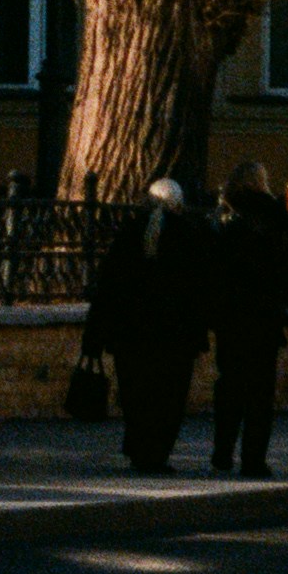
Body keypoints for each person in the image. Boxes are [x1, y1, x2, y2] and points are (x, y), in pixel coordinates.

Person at [91, 174, 213, 472]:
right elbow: (201, 288)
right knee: (168, 396)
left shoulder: (130, 232)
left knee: (136, 392)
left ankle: (137, 448)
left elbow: (109, 284)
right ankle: (157, 454)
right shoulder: (189, 235)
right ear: (179, 205)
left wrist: (98, 331)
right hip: (175, 335)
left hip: (130, 333)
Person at [210, 156, 288, 474]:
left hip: (230, 315)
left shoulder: (223, 214)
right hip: (264, 315)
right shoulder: (275, 213)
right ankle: (253, 458)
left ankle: (222, 451)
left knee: (230, 384)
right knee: (260, 392)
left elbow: (211, 265)